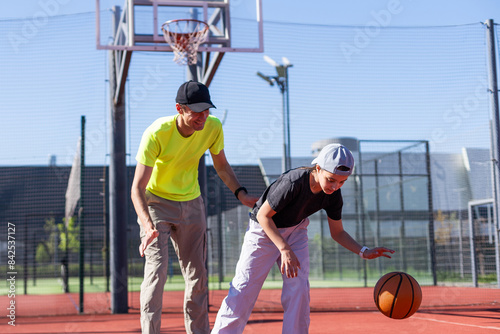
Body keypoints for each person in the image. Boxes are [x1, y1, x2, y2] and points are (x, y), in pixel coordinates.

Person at [211, 143, 395, 334]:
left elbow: (337, 232)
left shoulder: (333, 195)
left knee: (299, 289)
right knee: (244, 289)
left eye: (342, 182)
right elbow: (263, 216)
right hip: (264, 230)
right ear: (317, 168)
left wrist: (364, 251)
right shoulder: (293, 182)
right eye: (331, 179)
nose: (335, 186)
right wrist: (284, 249)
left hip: (295, 230)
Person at [131, 80, 258, 334]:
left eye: (206, 110)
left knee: (198, 277)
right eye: (196, 111)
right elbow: (137, 188)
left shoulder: (212, 127)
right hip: (156, 203)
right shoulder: (157, 133)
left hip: (191, 203)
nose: (202, 117)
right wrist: (147, 227)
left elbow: (221, 166)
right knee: (157, 273)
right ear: (180, 109)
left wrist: (241, 194)